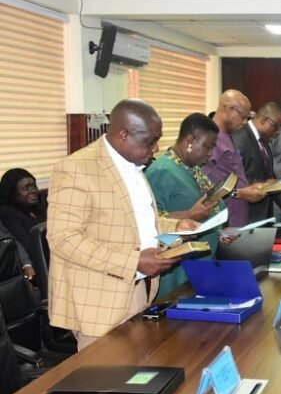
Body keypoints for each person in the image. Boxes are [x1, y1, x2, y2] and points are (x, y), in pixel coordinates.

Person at [47, 99, 197, 350]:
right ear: (123, 135)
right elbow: (63, 239)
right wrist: (133, 261)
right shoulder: (76, 168)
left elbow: (135, 221)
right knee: (107, 374)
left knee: (138, 369)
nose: (156, 148)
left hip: (139, 290)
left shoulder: (133, 165)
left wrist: (175, 226)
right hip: (99, 303)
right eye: (149, 141)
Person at [145, 113, 226, 298]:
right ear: (190, 140)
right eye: (207, 146)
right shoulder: (162, 171)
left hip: (201, 263)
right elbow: (151, 222)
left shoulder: (192, 167)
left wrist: (220, 231)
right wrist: (190, 214)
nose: (210, 154)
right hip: (177, 271)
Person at [202, 90, 266, 227]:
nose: (245, 122)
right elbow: (204, 185)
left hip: (237, 218)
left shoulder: (228, 135)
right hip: (224, 221)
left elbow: (229, 175)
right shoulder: (211, 139)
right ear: (229, 110)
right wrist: (240, 193)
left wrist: (250, 187)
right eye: (243, 116)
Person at [232, 102, 281, 223]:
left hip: (264, 216)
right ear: (264, 120)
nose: (277, 132)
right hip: (245, 215)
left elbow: (270, 179)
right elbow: (234, 178)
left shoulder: (264, 142)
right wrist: (259, 186)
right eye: (275, 127)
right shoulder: (239, 138)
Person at [0, 168, 47, 256]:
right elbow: (29, 246)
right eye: (26, 188)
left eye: (34, 186)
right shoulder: (8, 213)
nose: (33, 191)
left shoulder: (35, 206)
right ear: (12, 193)